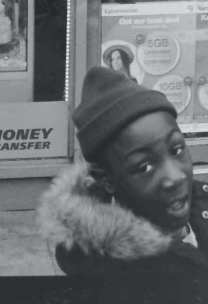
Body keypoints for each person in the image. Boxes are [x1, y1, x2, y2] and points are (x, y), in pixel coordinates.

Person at [38, 66, 208, 293]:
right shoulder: (110, 277)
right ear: (106, 179)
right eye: (145, 167)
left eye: (176, 150)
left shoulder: (200, 201)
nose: (175, 177)